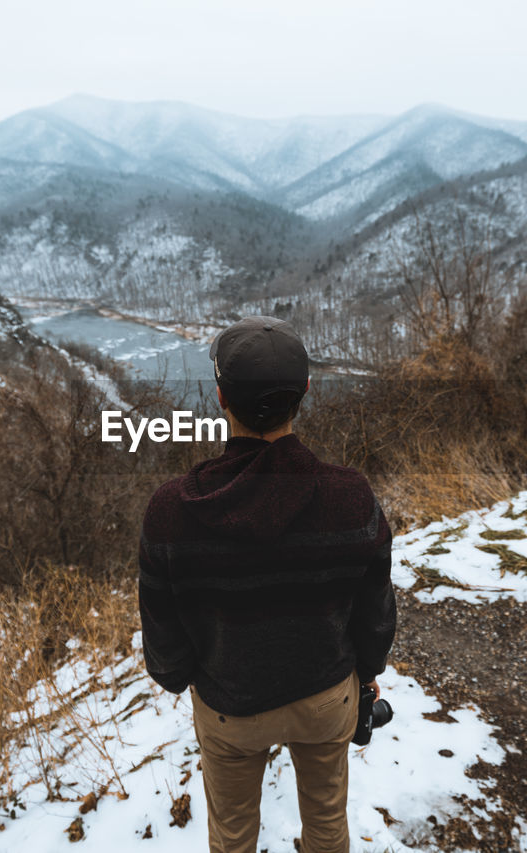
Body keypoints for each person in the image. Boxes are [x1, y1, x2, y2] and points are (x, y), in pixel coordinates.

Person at [138, 316, 396, 853]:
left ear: (220, 398)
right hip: (327, 696)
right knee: (328, 821)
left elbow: (162, 630)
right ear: (303, 392)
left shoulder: (172, 510)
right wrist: (367, 675)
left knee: (232, 838)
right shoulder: (350, 496)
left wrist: (184, 677)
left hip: (230, 705)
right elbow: (375, 608)